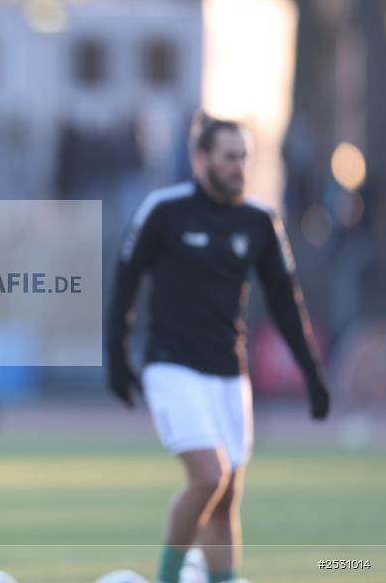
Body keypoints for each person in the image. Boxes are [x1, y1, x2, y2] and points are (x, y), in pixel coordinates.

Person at [106, 112, 330, 583]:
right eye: (229, 157)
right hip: (171, 366)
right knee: (210, 476)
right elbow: (125, 285)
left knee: (228, 497)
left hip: (230, 373)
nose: (239, 166)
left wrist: (312, 374)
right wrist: (117, 357)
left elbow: (287, 305)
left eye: (245, 157)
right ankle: (168, 577)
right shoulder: (163, 210)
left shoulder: (261, 220)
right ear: (200, 158)